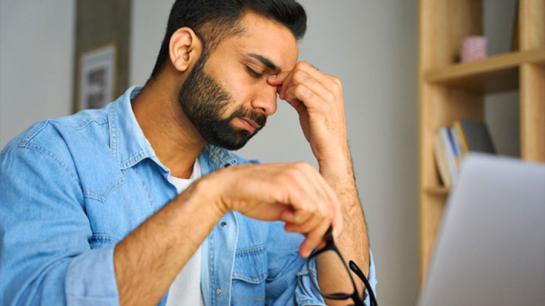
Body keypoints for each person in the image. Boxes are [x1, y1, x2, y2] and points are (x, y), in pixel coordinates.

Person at [0, 0, 377, 305]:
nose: (269, 105)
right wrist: (214, 195)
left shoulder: (253, 195)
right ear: (184, 51)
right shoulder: (49, 158)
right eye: (252, 70)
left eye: (276, 87)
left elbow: (342, 301)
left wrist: (335, 156)